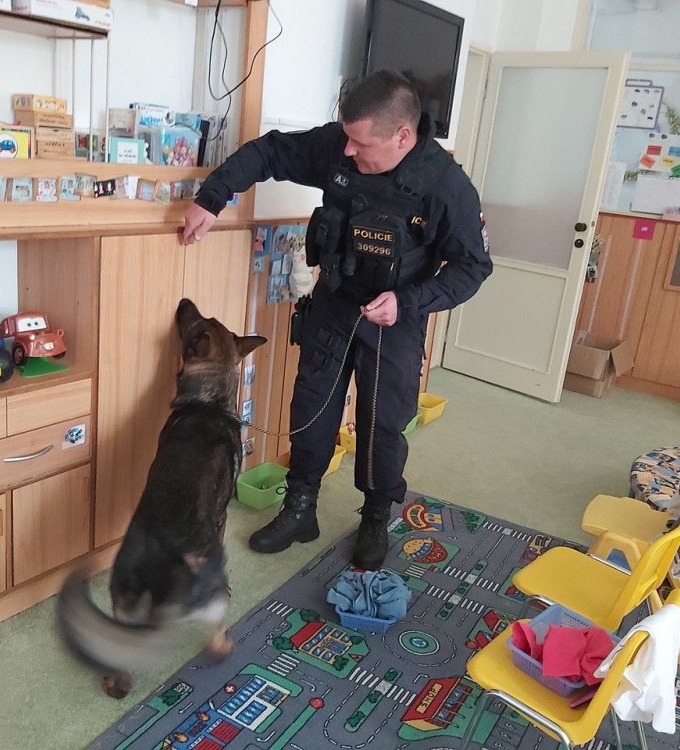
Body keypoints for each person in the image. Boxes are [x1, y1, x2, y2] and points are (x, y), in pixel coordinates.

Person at [181, 69, 493, 570]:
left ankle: (375, 517)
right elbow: (269, 152)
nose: (347, 151)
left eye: (360, 143)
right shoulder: (339, 146)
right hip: (334, 302)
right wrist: (211, 199)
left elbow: (473, 268)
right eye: (346, 138)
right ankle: (300, 508)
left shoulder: (447, 188)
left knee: (382, 424)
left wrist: (408, 302)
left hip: (395, 319)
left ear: (403, 137)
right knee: (312, 408)